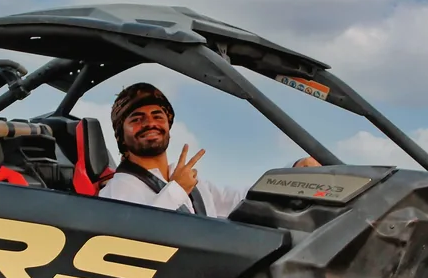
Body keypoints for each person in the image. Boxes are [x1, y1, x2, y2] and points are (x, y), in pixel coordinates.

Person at [99, 81, 319, 218]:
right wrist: (176, 190)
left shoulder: (189, 179)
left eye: (157, 116)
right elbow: (134, 237)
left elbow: (242, 200)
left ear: (168, 125)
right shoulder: (118, 189)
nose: (150, 123)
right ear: (121, 135)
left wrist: (293, 173)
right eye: (137, 119)